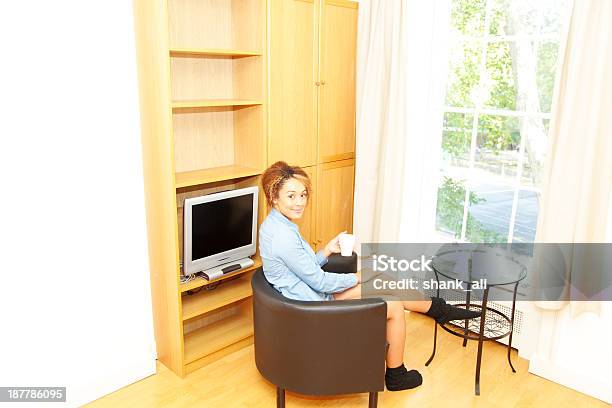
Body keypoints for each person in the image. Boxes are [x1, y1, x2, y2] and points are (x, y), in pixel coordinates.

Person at [258, 161, 481, 391]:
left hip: (309, 296)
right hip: (312, 308)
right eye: (291, 196)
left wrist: (326, 251)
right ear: (274, 197)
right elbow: (319, 281)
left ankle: (438, 309)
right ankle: (397, 374)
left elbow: (302, 269)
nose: (300, 202)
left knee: (383, 280)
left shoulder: (277, 226)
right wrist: (357, 277)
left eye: (303, 195)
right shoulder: (283, 236)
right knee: (393, 305)